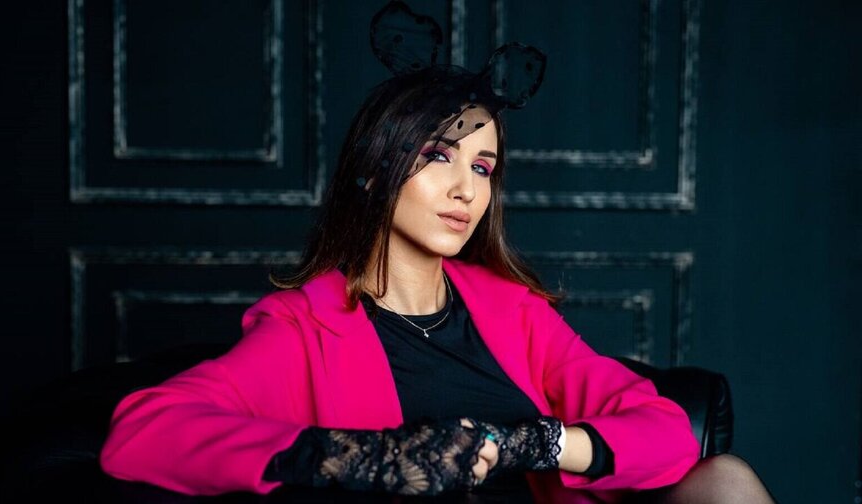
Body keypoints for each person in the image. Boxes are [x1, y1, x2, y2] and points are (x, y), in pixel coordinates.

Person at [99, 2, 776, 502]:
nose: (465, 189)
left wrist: (533, 443)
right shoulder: (305, 327)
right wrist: (363, 458)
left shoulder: (515, 312)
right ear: (374, 170)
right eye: (438, 156)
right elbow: (143, 433)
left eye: (483, 168)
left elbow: (666, 430)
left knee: (726, 477)